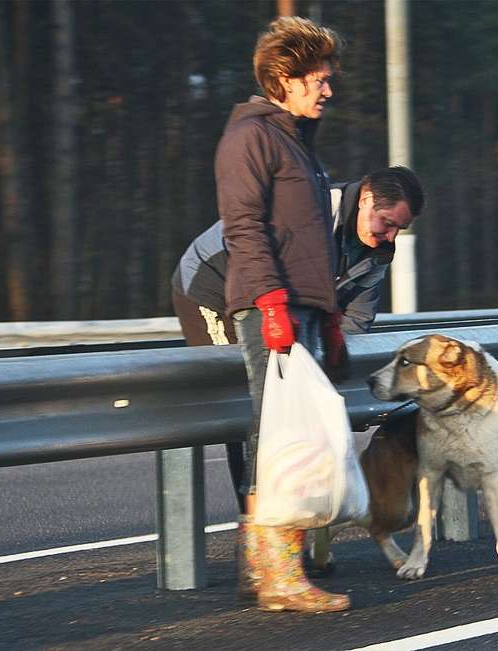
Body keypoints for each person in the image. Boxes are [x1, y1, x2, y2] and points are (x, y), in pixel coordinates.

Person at [171, 16, 422, 611]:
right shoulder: (250, 138)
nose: (329, 89)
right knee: (273, 429)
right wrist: (271, 304)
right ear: (283, 77)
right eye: (320, 78)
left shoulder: (295, 143)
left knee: (289, 432)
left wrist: (329, 318)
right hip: (239, 293)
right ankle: (274, 573)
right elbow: (246, 230)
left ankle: (269, 571)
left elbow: (303, 240)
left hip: (294, 301)